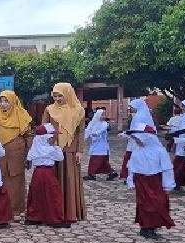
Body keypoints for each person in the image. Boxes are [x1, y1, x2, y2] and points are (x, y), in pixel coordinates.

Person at [41, 82, 86, 222]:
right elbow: (43, 129)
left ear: (68, 94)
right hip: (53, 151)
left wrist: (80, 151)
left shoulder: (78, 110)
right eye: (55, 96)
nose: (57, 99)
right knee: (53, 181)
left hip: (70, 151)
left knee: (70, 180)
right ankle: (53, 212)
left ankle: (70, 212)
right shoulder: (49, 110)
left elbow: (80, 132)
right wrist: (45, 147)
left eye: (60, 95)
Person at [0, 90, 32, 219]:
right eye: (1, 101)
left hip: (16, 154)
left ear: (13, 101)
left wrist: (28, 154)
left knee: (16, 182)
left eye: (6, 101)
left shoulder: (22, 115)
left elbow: (28, 136)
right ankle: (0, 210)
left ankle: (16, 210)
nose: (3, 104)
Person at [126, 123, 175, 239]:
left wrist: (168, 185)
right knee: (143, 205)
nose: (137, 142)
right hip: (140, 181)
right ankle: (146, 227)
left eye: (138, 139)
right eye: (135, 139)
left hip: (155, 181)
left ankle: (152, 226)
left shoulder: (160, 151)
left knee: (156, 204)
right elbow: (131, 166)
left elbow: (167, 169)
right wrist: (130, 180)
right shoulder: (138, 150)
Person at [25, 123, 68, 227]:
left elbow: (30, 157)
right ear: (45, 138)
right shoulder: (50, 149)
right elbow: (60, 157)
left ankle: (34, 217)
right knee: (53, 195)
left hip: (37, 173)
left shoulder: (35, 148)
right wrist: (55, 147)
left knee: (36, 195)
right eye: (51, 137)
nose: (53, 139)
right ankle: (55, 219)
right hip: (47, 173)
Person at [119, 99, 155, 180]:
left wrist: (127, 134)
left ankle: (132, 176)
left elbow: (139, 129)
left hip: (138, 140)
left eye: (132, 107)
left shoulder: (140, 116)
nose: (131, 108)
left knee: (133, 158)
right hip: (135, 139)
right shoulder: (140, 115)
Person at [83, 108, 118, 181]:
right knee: (103, 162)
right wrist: (83, 138)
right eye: (102, 115)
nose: (104, 116)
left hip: (102, 146)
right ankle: (111, 173)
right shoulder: (92, 123)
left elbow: (100, 131)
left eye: (104, 115)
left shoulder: (104, 124)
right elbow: (88, 130)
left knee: (96, 160)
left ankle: (92, 174)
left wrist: (95, 133)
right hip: (95, 145)